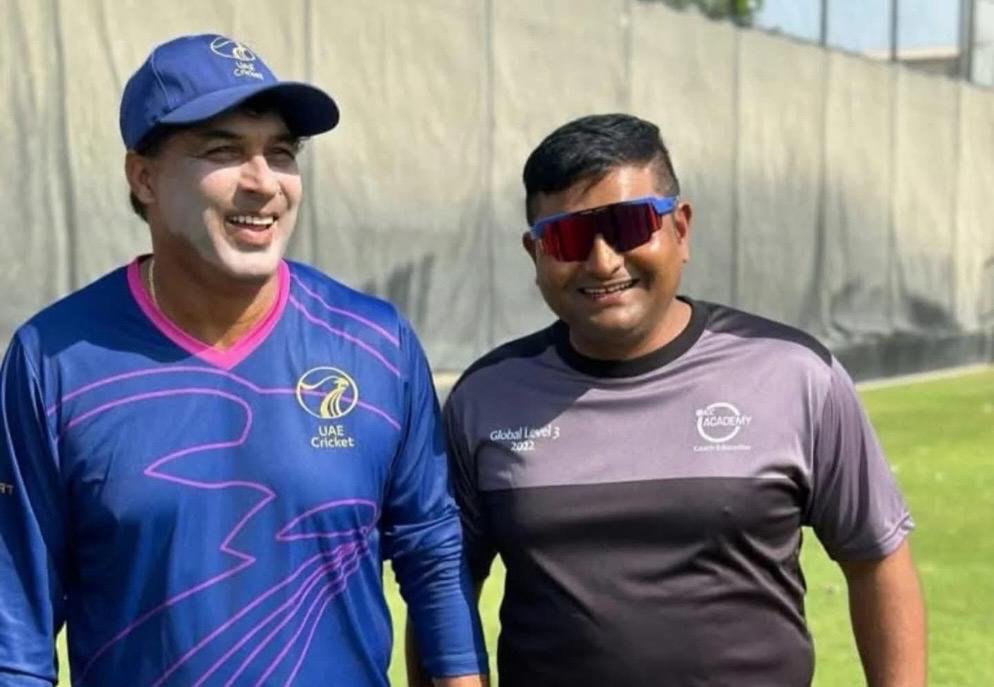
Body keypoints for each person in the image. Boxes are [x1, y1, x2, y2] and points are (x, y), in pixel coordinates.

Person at [0, 34, 487, 687]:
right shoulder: (53, 359)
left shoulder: (377, 343)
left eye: (281, 153)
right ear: (143, 176)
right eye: (223, 151)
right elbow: (16, 621)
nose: (263, 183)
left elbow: (432, 552)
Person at [413, 113, 926, 686]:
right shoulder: (486, 398)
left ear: (680, 228)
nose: (603, 260)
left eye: (628, 225)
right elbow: (444, 585)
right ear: (535, 253)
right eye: (567, 238)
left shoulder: (795, 374)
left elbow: (875, 559)